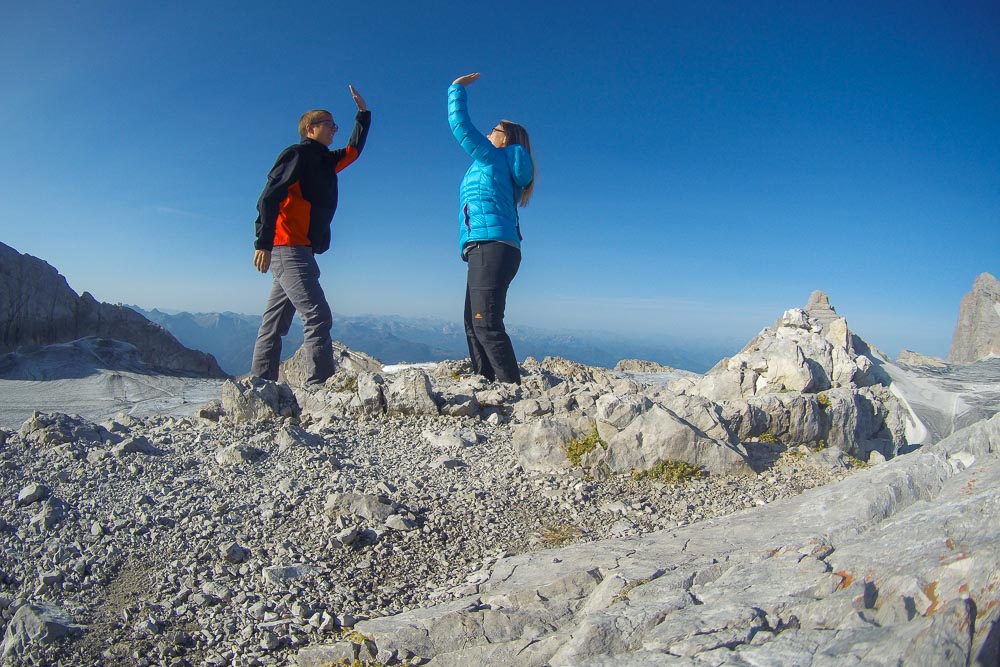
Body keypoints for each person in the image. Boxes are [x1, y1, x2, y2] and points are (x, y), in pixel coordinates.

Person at [250, 86, 371, 384]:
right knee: (317, 316)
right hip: (288, 247)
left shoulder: (327, 161)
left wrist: (363, 115)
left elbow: (354, 150)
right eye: (329, 124)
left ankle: (261, 385)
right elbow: (269, 197)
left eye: (335, 125)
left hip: (298, 248)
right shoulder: (297, 155)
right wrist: (262, 242)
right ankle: (320, 386)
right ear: (310, 128)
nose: (334, 130)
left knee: (274, 325)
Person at [448, 72, 535, 385]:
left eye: (494, 130)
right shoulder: (497, 163)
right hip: (489, 247)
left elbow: (461, 128)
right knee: (474, 321)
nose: (488, 132)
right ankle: (483, 381)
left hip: (491, 246)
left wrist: (456, 89)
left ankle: (511, 387)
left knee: (485, 322)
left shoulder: (492, 158)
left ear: (505, 138)